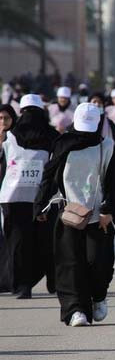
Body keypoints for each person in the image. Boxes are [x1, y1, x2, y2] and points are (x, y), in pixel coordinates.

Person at [34, 103, 115, 326]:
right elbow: (49, 175)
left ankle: (98, 296)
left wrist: (109, 210)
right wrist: (40, 205)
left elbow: (113, 181)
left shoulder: (107, 146)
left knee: (97, 261)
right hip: (68, 212)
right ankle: (75, 310)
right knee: (70, 263)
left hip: (98, 215)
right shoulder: (62, 145)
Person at [0, 95, 58, 298]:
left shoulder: (10, 136)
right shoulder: (52, 136)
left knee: (18, 244)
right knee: (44, 242)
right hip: (42, 199)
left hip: (13, 198)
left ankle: (22, 284)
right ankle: (48, 281)